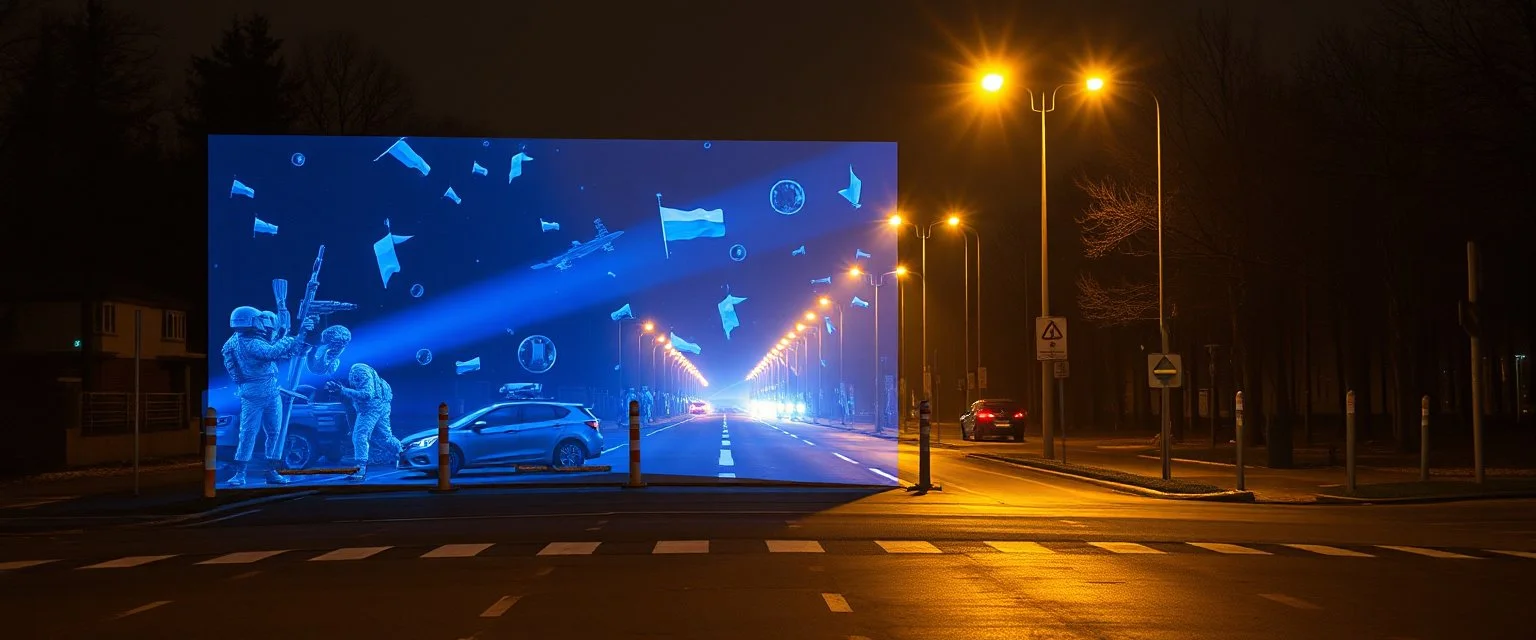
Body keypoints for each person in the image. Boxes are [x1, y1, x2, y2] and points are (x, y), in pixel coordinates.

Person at [222, 306, 312, 486]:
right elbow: (270, 352)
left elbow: (270, 349)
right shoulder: (250, 343)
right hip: (260, 393)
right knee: (263, 433)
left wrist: (286, 336)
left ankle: (257, 472)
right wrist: (292, 337)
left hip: (260, 391)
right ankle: (250, 473)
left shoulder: (234, 341)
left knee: (257, 433)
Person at [328, 363, 400, 483]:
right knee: (384, 438)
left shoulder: (358, 370)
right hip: (379, 405)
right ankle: (402, 453)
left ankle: (359, 470)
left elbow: (367, 395)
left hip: (372, 406)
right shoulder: (353, 376)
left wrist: (343, 390)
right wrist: (342, 391)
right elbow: (350, 407)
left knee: (360, 435)